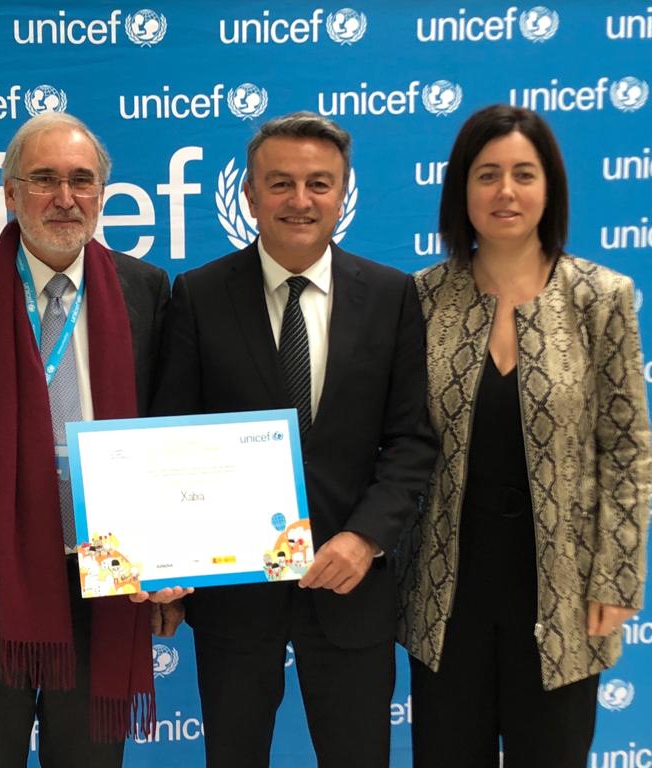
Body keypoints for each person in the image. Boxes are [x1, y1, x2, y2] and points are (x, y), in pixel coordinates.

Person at [153, 111, 436, 768]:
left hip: (350, 583)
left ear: (343, 194)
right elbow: (171, 440)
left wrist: (365, 537)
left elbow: (412, 441)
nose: (300, 200)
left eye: (318, 183)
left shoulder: (393, 296)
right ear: (249, 196)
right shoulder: (198, 294)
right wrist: (164, 560)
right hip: (233, 595)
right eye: (280, 183)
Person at [0, 111, 170, 767]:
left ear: (102, 194)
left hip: (108, 582)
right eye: (44, 179)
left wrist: (170, 568)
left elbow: (164, 441)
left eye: (81, 180)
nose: (65, 197)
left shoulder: (146, 289)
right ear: (11, 193)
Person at [396, 104, 651, 768]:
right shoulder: (420, 299)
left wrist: (617, 575)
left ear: (550, 187)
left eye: (523, 174)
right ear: (462, 190)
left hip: (564, 596)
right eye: (487, 174)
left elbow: (627, 448)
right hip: (447, 596)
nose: (505, 191)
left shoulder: (601, 297)